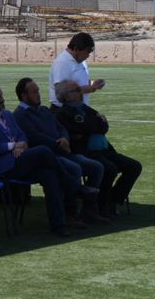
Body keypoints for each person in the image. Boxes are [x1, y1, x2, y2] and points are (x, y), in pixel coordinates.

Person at [0, 82, 75, 235]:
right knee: (43, 151)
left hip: (19, 160)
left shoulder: (7, 115)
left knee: (48, 174)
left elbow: (22, 135)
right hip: (0, 167)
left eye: (2, 96)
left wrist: (21, 144)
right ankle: (72, 184)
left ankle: (58, 226)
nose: (2, 100)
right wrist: (12, 146)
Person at [14, 77, 104, 223]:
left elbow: (61, 127)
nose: (38, 94)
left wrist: (65, 139)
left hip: (62, 150)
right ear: (24, 96)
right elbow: (34, 137)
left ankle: (89, 210)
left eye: (38, 91)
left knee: (96, 167)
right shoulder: (20, 115)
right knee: (75, 169)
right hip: (49, 156)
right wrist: (58, 143)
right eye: (34, 92)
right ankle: (71, 213)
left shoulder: (43, 110)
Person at [56, 79, 143, 219]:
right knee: (110, 168)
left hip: (104, 150)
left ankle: (113, 200)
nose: (80, 93)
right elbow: (87, 127)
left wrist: (90, 127)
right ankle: (100, 206)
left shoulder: (85, 108)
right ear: (66, 96)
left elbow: (103, 126)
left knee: (134, 166)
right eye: (77, 90)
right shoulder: (63, 113)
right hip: (86, 152)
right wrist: (91, 126)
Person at [50, 32, 105, 107]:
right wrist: (91, 88)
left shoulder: (80, 61)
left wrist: (93, 83)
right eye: (87, 52)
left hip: (78, 109)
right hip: (64, 112)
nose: (88, 55)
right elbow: (62, 92)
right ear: (76, 49)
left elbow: (80, 82)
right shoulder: (62, 62)